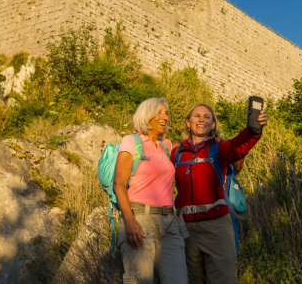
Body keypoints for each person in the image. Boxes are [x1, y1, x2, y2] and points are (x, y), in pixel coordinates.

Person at [171, 103, 267, 284]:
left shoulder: (220, 148)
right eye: (196, 116)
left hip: (216, 227)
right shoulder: (176, 153)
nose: (201, 119)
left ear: (213, 124)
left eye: (207, 117)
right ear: (187, 122)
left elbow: (241, 144)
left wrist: (254, 130)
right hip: (185, 230)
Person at [114, 97, 189, 284]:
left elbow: (195, 145)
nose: (165, 117)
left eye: (166, 113)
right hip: (140, 220)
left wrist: (216, 138)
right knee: (141, 281)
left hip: (170, 224)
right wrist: (130, 221)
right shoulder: (131, 141)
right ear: (147, 115)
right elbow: (119, 183)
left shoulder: (166, 147)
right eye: (159, 112)